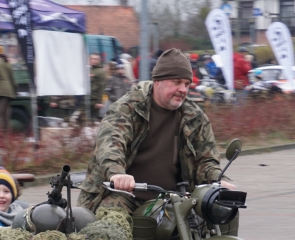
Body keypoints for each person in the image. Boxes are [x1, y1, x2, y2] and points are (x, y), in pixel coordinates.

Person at [78, 48, 236, 214]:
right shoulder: (128, 108)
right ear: (158, 81)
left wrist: (218, 180)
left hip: (172, 200)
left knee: (218, 216)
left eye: (187, 84)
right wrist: (116, 173)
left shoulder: (194, 117)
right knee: (112, 225)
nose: (183, 89)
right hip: (125, 195)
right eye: (177, 82)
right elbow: (111, 143)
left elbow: (206, 159)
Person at [0, 45, 16, 134]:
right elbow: (12, 78)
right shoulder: (7, 62)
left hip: (0, 91)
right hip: (9, 91)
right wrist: (14, 90)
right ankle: (7, 137)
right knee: (6, 115)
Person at [89, 53, 107, 119]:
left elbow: (102, 87)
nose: (94, 60)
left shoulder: (100, 71)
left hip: (94, 100)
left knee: (92, 119)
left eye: (96, 59)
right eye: (93, 59)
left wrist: (99, 101)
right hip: (87, 98)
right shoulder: (90, 69)